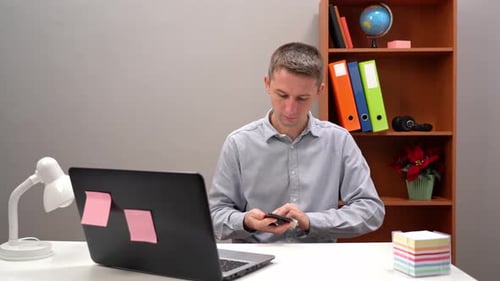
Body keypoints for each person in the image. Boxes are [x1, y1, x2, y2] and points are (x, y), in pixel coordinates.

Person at [208, 42, 385, 243]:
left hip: (318, 264)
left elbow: (371, 211)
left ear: (319, 91)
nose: (290, 109)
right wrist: (246, 222)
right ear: (267, 84)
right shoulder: (239, 143)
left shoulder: (339, 140)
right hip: (258, 262)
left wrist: (310, 221)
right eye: (282, 95)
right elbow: (215, 215)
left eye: (302, 98)